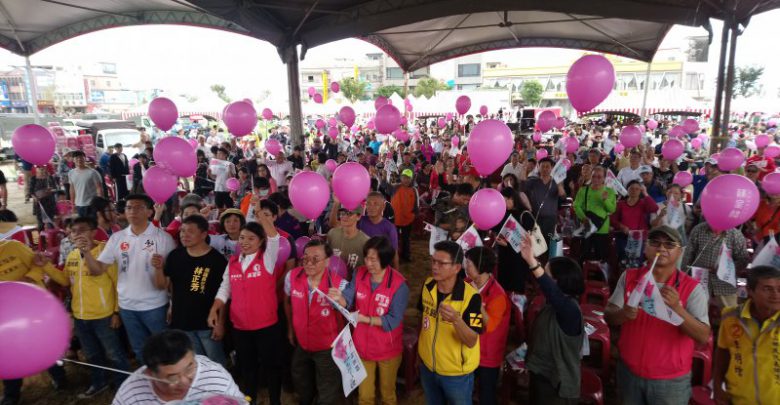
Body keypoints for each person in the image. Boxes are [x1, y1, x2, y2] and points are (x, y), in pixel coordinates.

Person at [605, 226, 711, 405]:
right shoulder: (629, 277)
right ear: (645, 248)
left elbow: (702, 336)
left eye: (669, 244)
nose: (661, 248)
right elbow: (609, 315)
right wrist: (624, 314)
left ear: (679, 252)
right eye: (655, 242)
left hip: (670, 382)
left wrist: (677, 309)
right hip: (629, 373)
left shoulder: (693, 288)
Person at [83, 193, 176, 363]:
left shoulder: (163, 238)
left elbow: (172, 278)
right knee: (139, 349)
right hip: (127, 306)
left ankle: (168, 377)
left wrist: (172, 304)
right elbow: (98, 270)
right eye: (129, 207)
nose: (133, 211)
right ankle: (148, 377)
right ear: (124, 212)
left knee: (164, 349)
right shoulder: (117, 238)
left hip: (155, 306)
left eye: (139, 207)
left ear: (150, 212)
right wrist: (86, 253)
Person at [209, 215, 281, 405]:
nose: (245, 242)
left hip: (266, 326)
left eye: (251, 238)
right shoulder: (233, 262)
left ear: (261, 241)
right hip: (240, 327)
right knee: (248, 368)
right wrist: (215, 308)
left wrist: (260, 213)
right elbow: (225, 288)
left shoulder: (267, 259)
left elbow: (275, 237)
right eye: (242, 238)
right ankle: (250, 400)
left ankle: (275, 401)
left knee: (271, 367)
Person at [329, 236, 409, 405]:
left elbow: (393, 320)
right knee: (365, 396)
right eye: (366, 258)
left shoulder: (399, 285)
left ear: (385, 259)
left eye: (374, 259)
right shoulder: (359, 273)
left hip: (387, 349)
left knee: (387, 395)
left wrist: (365, 319)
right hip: (362, 347)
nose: (368, 263)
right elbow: (348, 298)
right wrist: (339, 299)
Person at [65, 216, 131, 397]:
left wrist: (116, 312)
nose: (77, 234)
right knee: (92, 354)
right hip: (80, 316)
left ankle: (124, 385)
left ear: (94, 232)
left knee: (114, 353)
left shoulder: (105, 252)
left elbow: (118, 284)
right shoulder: (72, 255)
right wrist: (44, 266)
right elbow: (65, 280)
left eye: (82, 230)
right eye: (73, 231)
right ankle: (99, 382)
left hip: (104, 315)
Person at [0, 236, 69, 405]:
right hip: (7, 317)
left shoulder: (14, 247)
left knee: (47, 345)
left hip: (36, 309)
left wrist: (24, 282)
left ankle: (60, 378)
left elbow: (38, 264)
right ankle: (11, 393)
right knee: (9, 351)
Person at [521, 234, 585, 405]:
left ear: (558, 281)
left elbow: (552, 292)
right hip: (541, 374)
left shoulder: (570, 310)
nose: (542, 279)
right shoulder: (551, 304)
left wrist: (532, 262)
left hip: (556, 384)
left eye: (547, 275)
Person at [417, 240, 483, 405]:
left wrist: (456, 320)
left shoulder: (472, 298)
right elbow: (422, 320)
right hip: (427, 366)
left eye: (441, 263)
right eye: (433, 261)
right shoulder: (428, 285)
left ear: (457, 268)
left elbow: (471, 340)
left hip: (456, 374)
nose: (435, 267)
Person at [284, 239, 348, 405]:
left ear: (327, 261)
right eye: (305, 258)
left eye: (315, 259)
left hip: (328, 346)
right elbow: (288, 302)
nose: (309, 263)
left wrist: (342, 301)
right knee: (300, 376)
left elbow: (349, 311)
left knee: (327, 385)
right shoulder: (292, 277)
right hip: (302, 342)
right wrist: (290, 329)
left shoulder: (339, 285)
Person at [112, 330, 245, 404]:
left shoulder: (216, 379)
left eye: (189, 368)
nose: (185, 382)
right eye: (172, 377)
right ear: (150, 374)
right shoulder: (131, 393)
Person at [162, 215, 229, 365]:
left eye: (190, 231)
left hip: (208, 323)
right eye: (182, 231)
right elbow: (173, 285)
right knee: (195, 362)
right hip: (182, 320)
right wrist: (172, 305)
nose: (184, 235)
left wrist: (221, 323)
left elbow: (224, 293)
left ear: (204, 234)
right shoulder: (175, 256)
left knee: (216, 362)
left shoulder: (217, 260)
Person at [713, 265, 780, 405]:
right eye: (767, 289)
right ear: (750, 291)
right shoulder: (730, 317)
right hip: (739, 399)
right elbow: (723, 353)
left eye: (779, 289)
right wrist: (717, 387)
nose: (776, 294)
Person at [464, 246, 509, 405]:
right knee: (465, 389)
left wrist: (476, 299)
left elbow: (489, 326)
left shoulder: (498, 295)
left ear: (481, 267)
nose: (465, 266)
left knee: (486, 394)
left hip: (488, 355)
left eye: (469, 263)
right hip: (469, 348)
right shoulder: (467, 283)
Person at [682, 221, 750, 309]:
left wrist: (722, 269)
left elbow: (743, 260)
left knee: (730, 312)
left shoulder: (735, 234)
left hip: (725, 283)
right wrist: (684, 276)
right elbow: (688, 255)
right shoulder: (698, 230)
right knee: (696, 310)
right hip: (700, 280)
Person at [611, 180, 659, 268]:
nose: (634, 190)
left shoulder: (643, 203)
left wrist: (645, 193)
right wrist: (621, 226)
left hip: (639, 240)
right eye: (632, 188)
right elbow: (612, 220)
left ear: (640, 191)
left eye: (637, 189)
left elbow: (654, 208)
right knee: (623, 264)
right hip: (623, 238)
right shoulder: (620, 204)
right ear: (627, 190)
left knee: (637, 265)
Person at [573, 166, 617, 260]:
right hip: (587, 226)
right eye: (593, 176)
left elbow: (612, 210)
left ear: (604, 178)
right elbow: (576, 205)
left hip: (602, 228)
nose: (596, 179)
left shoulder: (609, 191)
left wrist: (605, 200)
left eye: (599, 177)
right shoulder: (583, 190)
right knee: (584, 255)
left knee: (601, 257)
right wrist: (583, 218)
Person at [522, 157, 566, 245]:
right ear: (538, 167)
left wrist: (559, 186)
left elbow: (563, 197)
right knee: (535, 244)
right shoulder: (533, 181)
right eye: (542, 166)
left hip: (550, 219)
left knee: (548, 242)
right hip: (535, 217)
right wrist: (524, 169)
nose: (545, 169)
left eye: (547, 166)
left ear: (552, 168)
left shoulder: (556, 182)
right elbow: (522, 186)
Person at [327, 204, 370, 276]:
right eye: (342, 213)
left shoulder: (366, 242)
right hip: (332, 279)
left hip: (355, 282)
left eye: (349, 213)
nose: (344, 216)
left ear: (358, 216)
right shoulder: (332, 233)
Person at [389, 169, 418, 263]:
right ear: (401, 178)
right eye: (404, 177)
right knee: (394, 238)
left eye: (408, 178)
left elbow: (416, 205)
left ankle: (406, 255)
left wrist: (414, 215)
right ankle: (394, 256)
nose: (406, 180)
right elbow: (385, 187)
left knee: (406, 238)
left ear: (411, 179)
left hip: (408, 220)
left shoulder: (414, 190)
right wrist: (384, 177)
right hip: (395, 219)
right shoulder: (395, 187)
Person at [68, 150, 103, 218]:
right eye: (76, 158)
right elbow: (72, 189)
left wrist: (99, 204)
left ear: (85, 158)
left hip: (92, 204)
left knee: (93, 223)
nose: (79, 159)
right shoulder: (71, 173)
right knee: (83, 223)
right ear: (73, 160)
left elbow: (99, 188)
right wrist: (72, 204)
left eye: (81, 157)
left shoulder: (93, 172)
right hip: (79, 204)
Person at [29, 165, 57, 230]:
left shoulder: (50, 177)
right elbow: (31, 191)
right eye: (39, 168)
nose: (42, 169)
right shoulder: (33, 178)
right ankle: (41, 234)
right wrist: (35, 198)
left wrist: (51, 190)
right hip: (39, 203)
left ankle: (51, 234)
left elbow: (56, 189)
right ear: (36, 169)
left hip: (50, 202)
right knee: (40, 221)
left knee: (50, 220)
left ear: (46, 168)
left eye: (43, 167)